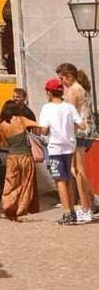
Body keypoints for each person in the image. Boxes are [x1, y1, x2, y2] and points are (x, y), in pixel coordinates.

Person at [36, 77, 85, 227]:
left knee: (60, 181)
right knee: (68, 179)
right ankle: (72, 210)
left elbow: (43, 130)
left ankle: (66, 212)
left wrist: (42, 129)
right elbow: (81, 125)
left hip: (56, 146)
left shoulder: (47, 108)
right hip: (69, 146)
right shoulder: (69, 107)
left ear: (49, 93)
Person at [56, 62, 95, 224]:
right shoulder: (80, 88)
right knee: (75, 168)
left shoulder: (73, 90)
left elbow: (69, 114)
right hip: (86, 130)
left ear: (69, 76)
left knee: (79, 170)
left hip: (78, 132)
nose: (61, 82)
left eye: (61, 78)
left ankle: (86, 208)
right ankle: (92, 198)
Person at [0, 100, 40, 222]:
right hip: (26, 156)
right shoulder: (21, 119)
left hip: (12, 157)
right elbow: (38, 125)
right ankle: (20, 210)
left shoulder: (1, 124)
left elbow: (0, 141)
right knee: (26, 184)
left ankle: (9, 206)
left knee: (11, 184)